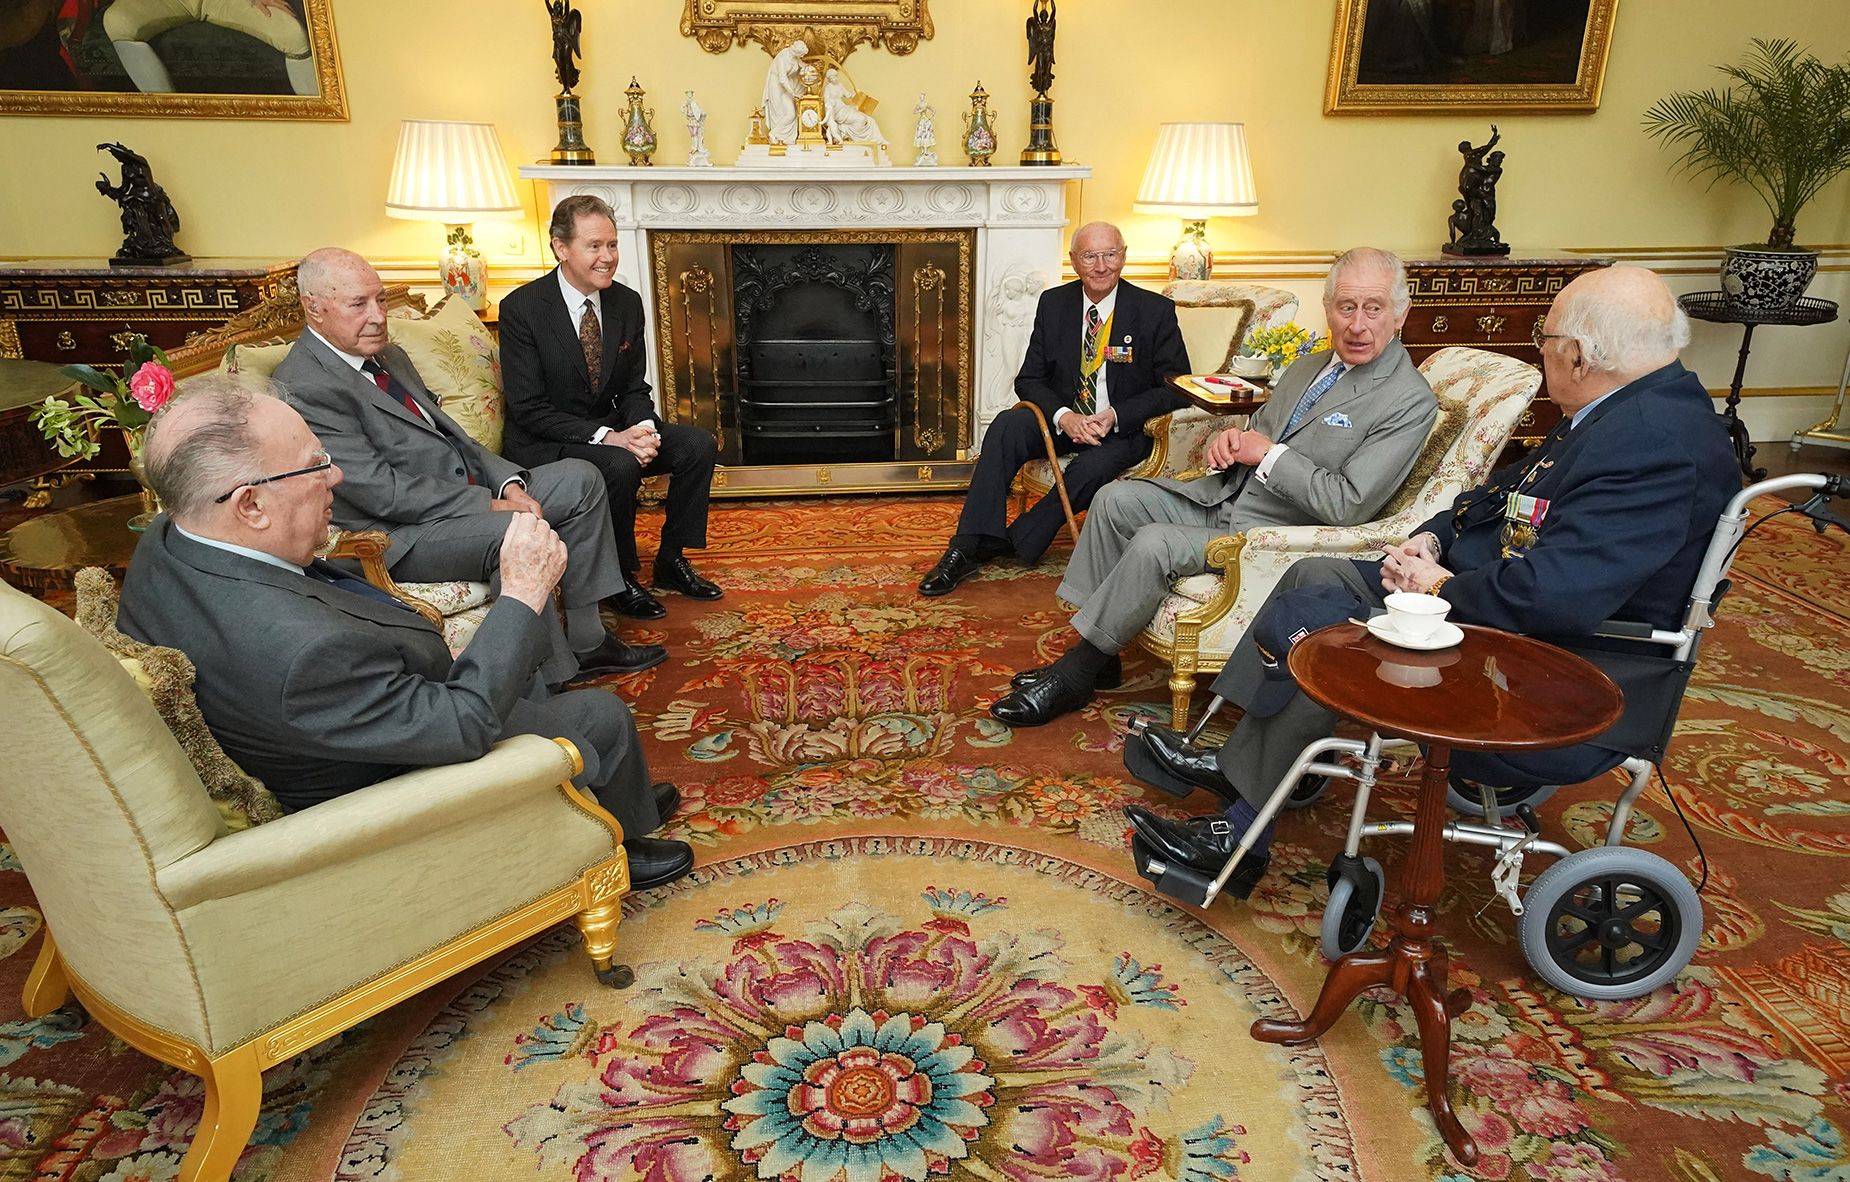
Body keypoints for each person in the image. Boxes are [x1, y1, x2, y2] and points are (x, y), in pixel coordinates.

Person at [1122, 265, 1739, 896]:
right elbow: (1501, 493)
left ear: (1578, 356)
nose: (1544, 351)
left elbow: (1552, 598)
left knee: (1335, 631)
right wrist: (1433, 537)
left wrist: (1438, 588)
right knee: (1314, 573)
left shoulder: (1654, 445)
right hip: (1486, 601)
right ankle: (1242, 763)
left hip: (1551, 667)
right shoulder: (1619, 409)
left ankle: (1241, 837)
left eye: (1546, 340)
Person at [116, 378, 695, 890]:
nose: (336, 477)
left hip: (366, 715)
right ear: (250, 505)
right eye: (315, 465)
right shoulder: (303, 653)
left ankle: (621, 798)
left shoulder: (171, 538)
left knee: (539, 692)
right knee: (599, 716)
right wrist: (521, 594)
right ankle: (612, 843)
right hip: (391, 788)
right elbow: (462, 726)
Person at [990, 248, 1438, 727]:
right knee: (1114, 499)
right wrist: (1232, 440)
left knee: (1153, 543)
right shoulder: (1310, 366)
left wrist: (1265, 454)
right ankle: (1101, 654)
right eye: (1345, 307)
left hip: (1274, 531)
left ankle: (1077, 672)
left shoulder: (1407, 400)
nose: (1357, 324)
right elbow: (1261, 431)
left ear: (1400, 313)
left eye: (1373, 308)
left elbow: (1347, 503)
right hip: (1224, 495)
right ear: (1328, 308)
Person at [273, 246, 663, 688]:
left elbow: (455, 438)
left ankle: (589, 642)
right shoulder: (306, 384)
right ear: (314, 308)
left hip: (461, 494)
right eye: (358, 304)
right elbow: (381, 491)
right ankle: (546, 682)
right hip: (398, 532)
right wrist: (489, 506)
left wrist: (507, 484)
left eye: (380, 299)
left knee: (581, 477)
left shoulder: (390, 357)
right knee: (513, 532)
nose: (378, 315)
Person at [918, 221, 1190, 596]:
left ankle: (1015, 539)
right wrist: (1066, 417)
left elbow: (1176, 386)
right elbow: (1029, 379)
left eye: (1110, 255)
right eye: (1090, 256)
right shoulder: (1054, 303)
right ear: (1075, 261)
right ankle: (965, 547)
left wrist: (1114, 415)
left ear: (1124, 256)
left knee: (1091, 466)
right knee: (1006, 426)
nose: (1101, 266)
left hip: (1123, 429)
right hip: (1067, 419)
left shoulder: (1155, 310)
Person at [499, 195, 723, 620]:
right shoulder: (522, 309)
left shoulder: (626, 302)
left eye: (613, 245)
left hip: (610, 430)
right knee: (619, 464)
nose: (608, 258)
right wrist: (611, 438)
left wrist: (642, 428)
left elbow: (634, 387)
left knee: (697, 444)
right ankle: (619, 576)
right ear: (561, 248)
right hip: (547, 441)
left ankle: (672, 560)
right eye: (595, 246)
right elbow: (529, 409)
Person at [761, 38, 809, 145]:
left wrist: (811, 70)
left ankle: (782, 136)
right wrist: (793, 93)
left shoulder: (795, 57)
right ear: (797, 51)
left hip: (787, 86)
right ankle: (775, 135)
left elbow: (804, 66)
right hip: (776, 84)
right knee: (779, 112)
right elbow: (782, 78)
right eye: (802, 54)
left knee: (790, 113)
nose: (802, 57)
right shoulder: (783, 57)